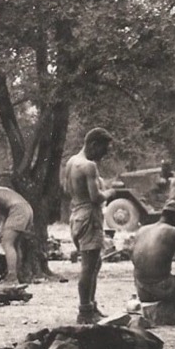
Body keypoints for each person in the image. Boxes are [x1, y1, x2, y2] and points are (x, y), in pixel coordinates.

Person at [62, 127, 115, 323]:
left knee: (94, 263)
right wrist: (110, 192)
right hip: (89, 216)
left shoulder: (71, 162)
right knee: (89, 266)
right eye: (103, 150)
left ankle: (91, 306)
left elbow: (66, 189)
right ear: (93, 144)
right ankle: (85, 311)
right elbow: (96, 197)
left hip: (76, 214)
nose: (103, 155)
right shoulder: (89, 166)